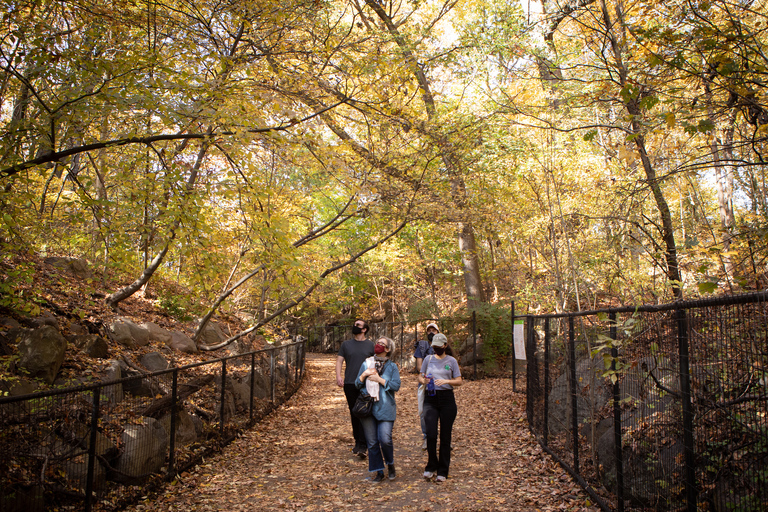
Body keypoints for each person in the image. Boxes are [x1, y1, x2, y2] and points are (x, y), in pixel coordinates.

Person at [355, 336, 401, 483]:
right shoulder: (366, 363)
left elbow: (396, 386)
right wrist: (364, 375)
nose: (378, 345)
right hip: (367, 408)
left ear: (387, 350)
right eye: (378, 343)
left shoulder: (392, 367)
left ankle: (390, 463)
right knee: (372, 442)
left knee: (385, 439)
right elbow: (357, 384)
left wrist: (380, 380)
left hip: (385, 408)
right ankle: (378, 472)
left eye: (382, 344)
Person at [419, 332, 462, 482]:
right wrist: (424, 380)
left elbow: (459, 380)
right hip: (430, 398)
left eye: (439, 346)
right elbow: (420, 375)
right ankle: (431, 465)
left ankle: (443, 470)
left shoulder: (452, 361)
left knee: (445, 436)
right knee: (430, 434)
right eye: (434, 347)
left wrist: (446, 382)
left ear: (445, 345)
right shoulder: (428, 359)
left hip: (447, 399)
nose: (436, 349)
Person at [336, 319, 374, 458]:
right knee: (354, 412)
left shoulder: (370, 345)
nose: (355, 326)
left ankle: (364, 445)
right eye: (355, 324)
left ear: (364, 329)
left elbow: (376, 363)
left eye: (358, 325)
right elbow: (339, 360)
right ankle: (358, 442)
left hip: (366, 383)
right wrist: (338, 376)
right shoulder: (346, 344)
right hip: (350, 383)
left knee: (364, 412)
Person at [413, 322, 439, 449]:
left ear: (438, 332)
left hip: (441, 383)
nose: (431, 333)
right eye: (429, 331)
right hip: (425, 381)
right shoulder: (422, 346)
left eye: (434, 330)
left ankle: (444, 439)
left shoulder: (442, 346)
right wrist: (426, 376)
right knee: (423, 411)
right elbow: (419, 366)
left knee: (442, 411)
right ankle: (426, 437)